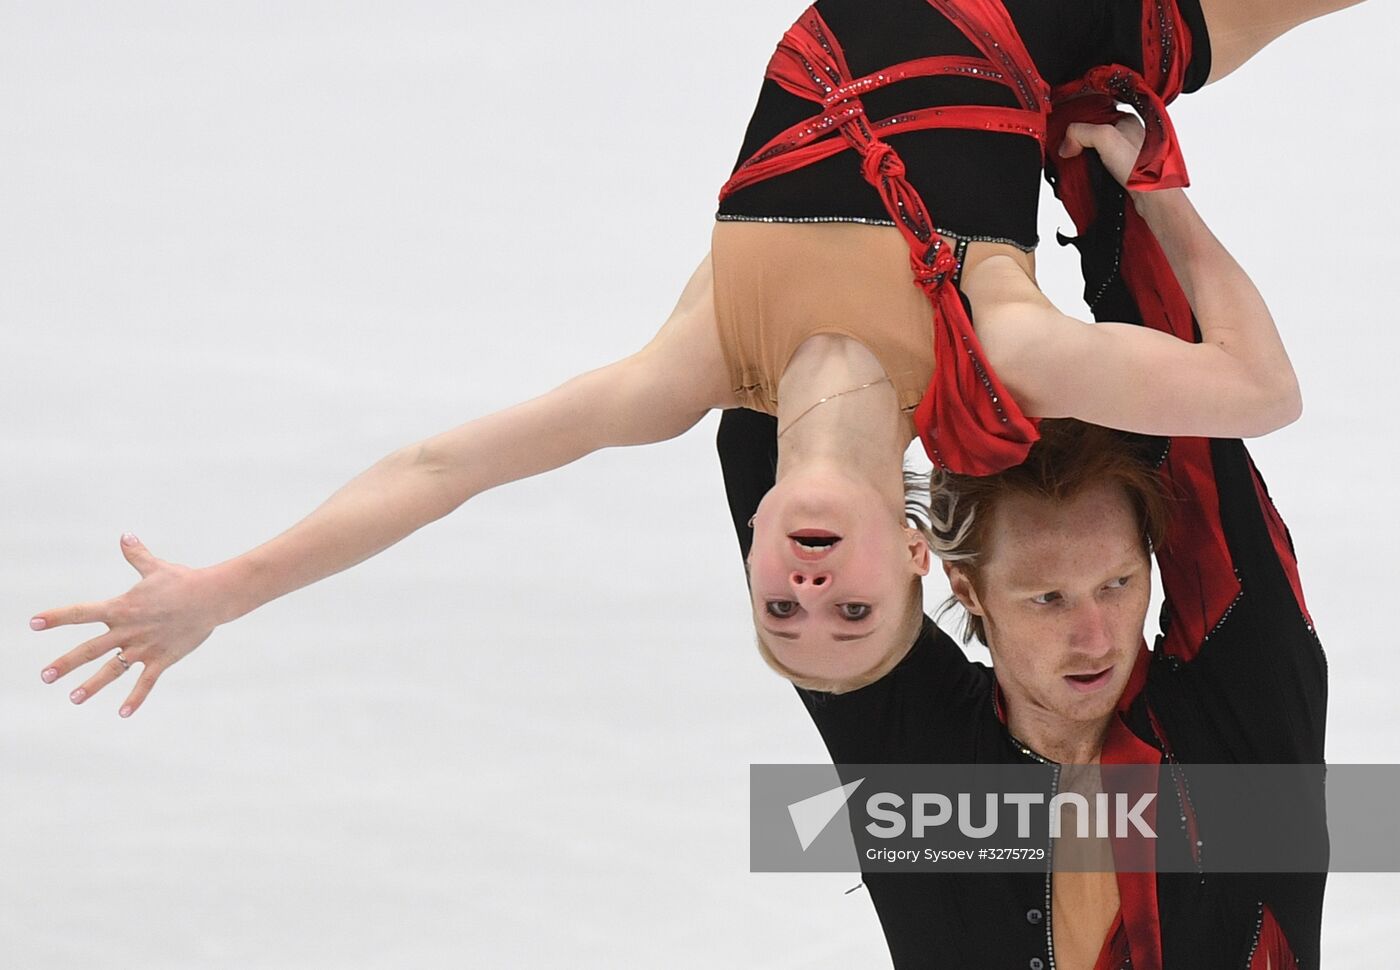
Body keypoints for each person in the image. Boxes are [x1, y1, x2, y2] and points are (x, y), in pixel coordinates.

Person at [29, 0, 1342, 716]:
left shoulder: (694, 363)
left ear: (757, 539)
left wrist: (227, 591)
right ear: (916, 558)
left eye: (783, 608)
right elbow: (1260, 392)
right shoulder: (999, 353)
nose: (813, 588)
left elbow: (438, 468)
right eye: (849, 612)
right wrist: (1151, 183)